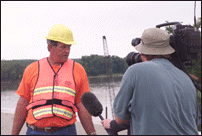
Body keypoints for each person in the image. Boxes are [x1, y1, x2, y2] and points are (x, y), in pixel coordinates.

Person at [11, 24, 97, 135]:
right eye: (63, 47)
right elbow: (22, 104)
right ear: (50, 47)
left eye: (69, 47)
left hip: (66, 131)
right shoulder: (32, 69)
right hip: (36, 131)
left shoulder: (78, 70)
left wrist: (92, 133)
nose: (67, 51)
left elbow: (82, 105)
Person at [113, 28, 201, 135]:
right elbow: (194, 121)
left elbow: (119, 118)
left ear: (142, 53)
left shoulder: (135, 71)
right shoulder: (186, 78)